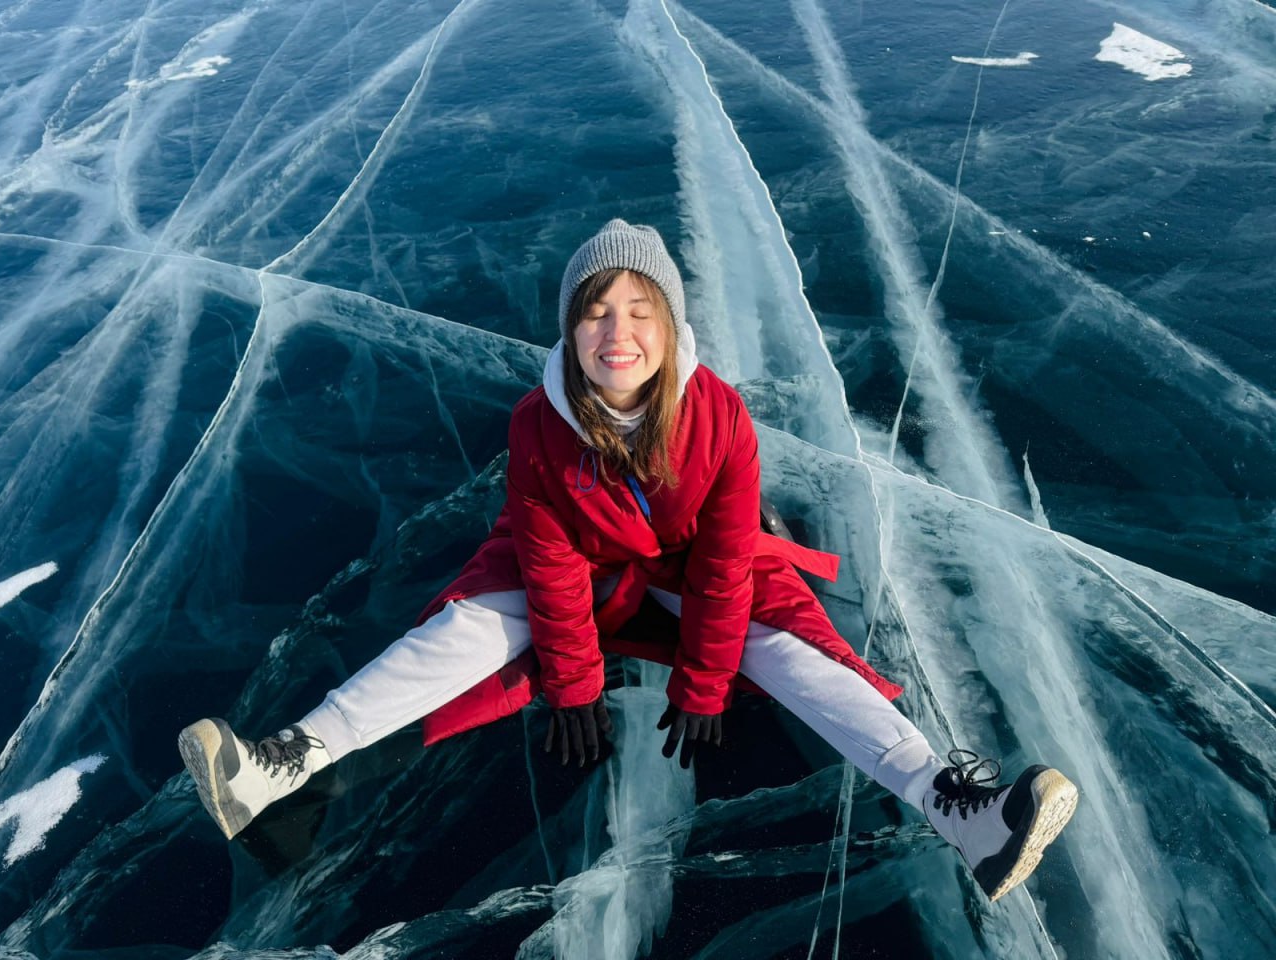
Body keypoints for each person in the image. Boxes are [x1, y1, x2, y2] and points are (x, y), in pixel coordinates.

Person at [178, 219, 1077, 902]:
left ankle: (959, 811)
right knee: (470, 629)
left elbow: (724, 566)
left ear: (671, 325)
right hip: (584, 572)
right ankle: (287, 763)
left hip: (690, 572)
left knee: (793, 649)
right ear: (570, 330)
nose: (618, 331)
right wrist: (573, 687)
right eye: (596, 311)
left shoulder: (718, 416)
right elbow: (548, 562)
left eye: (640, 311)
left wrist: (704, 686)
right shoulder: (539, 426)